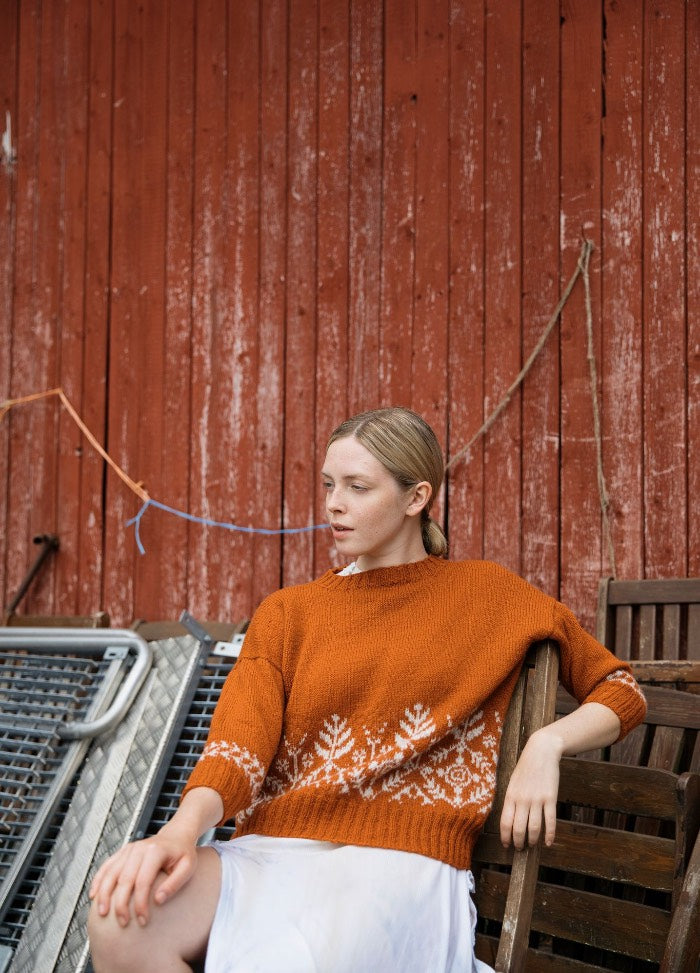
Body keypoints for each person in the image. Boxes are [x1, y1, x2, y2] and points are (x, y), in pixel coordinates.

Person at [88, 407, 647, 973]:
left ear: (415, 497)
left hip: (401, 864)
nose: (334, 503)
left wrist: (545, 745)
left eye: (358, 487)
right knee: (120, 922)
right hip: (274, 853)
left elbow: (620, 689)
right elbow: (238, 747)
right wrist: (179, 833)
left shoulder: (490, 595)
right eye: (329, 484)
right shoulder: (288, 612)